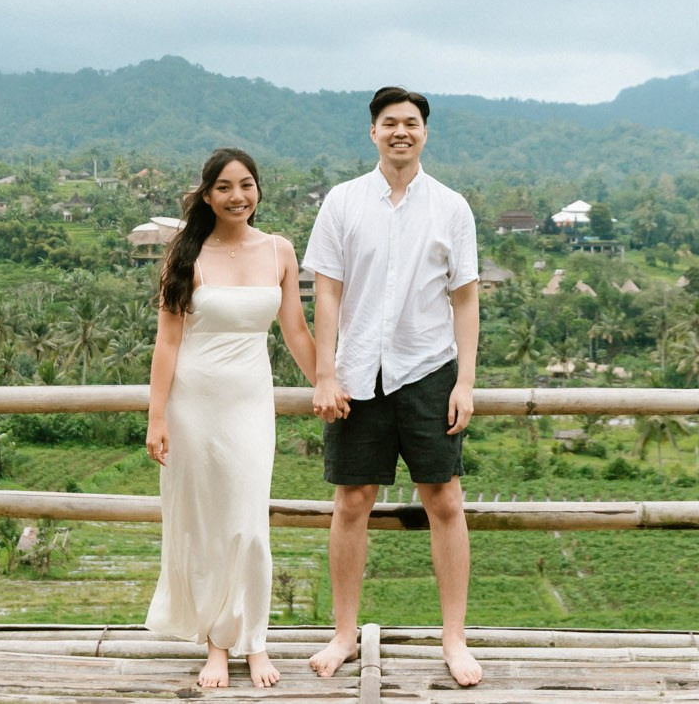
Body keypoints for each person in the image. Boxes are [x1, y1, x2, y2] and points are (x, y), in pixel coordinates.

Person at [305, 87, 484, 686]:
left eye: (411, 123)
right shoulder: (343, 201)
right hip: (357, 374)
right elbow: (325, 289)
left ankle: (454, 639)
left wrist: (466, 380)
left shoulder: (451, 208)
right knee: (352, 503)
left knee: (445, 501)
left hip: (429, 370)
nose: (400, 131)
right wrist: (325, 371)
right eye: (389, 123)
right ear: (373, 132)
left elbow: (465, 298)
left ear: (425, 133)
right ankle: (344, 635)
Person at [146, 148, 317, 689]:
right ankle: (219, 644)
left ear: (258, 189)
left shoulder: (280, 251)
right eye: (224, 187)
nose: (237, 196)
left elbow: (295, 332)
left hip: (249, 401)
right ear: (207, 195)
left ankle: (255, 641)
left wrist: (327, 385)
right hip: (193, 401)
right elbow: (167, 341)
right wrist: (157, 417)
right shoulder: (188, 252)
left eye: (246, 184)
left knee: (247, 523)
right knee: (206, 525)